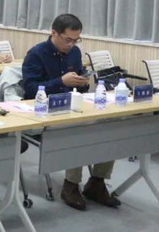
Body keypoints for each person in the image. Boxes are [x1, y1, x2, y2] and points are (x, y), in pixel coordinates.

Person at [22, 13, 118, 211]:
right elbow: (30, 89)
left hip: (72, 105)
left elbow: (78, 84)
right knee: (79, 128)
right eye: (68, 40)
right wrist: (61, 81)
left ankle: (97, 182)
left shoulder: (75, 52)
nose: (71, 44)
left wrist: (82, 82)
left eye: (76, 40)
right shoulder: (36, 54)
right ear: (54, 33)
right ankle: (71, 185)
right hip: (44, 109)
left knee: (109, 123)